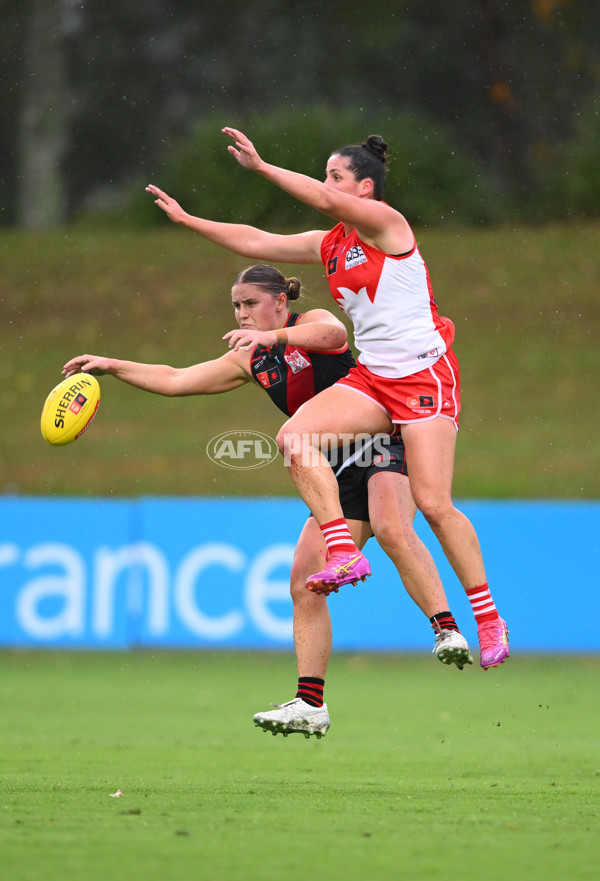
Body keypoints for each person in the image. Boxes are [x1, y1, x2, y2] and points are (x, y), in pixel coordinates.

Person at [145, 126, 509, 675]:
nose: (325, 184)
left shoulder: (391, 227)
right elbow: (255, 241)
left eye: (336, 177)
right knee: (295, 437)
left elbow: (317, 200)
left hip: (425, 376)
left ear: (365, 188)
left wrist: (264, 168)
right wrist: (189, 220)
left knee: (433, 504)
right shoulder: (331, 243)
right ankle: (342, 548)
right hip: (375, 376)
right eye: (325, 176)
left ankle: (487, 618)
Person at [62, 264, 472, 739]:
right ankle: (310, 705)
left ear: (280, 301)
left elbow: (336, 330)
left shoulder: (306, 326)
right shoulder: (248, 359)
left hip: (382, 440)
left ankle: (447, 629)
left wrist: (273, 336)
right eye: (236, 306)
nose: (242, 314)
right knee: (304, 582)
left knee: (393, 528)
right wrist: (113, 366)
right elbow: (176, 378)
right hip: (331, 468)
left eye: (251, 303)